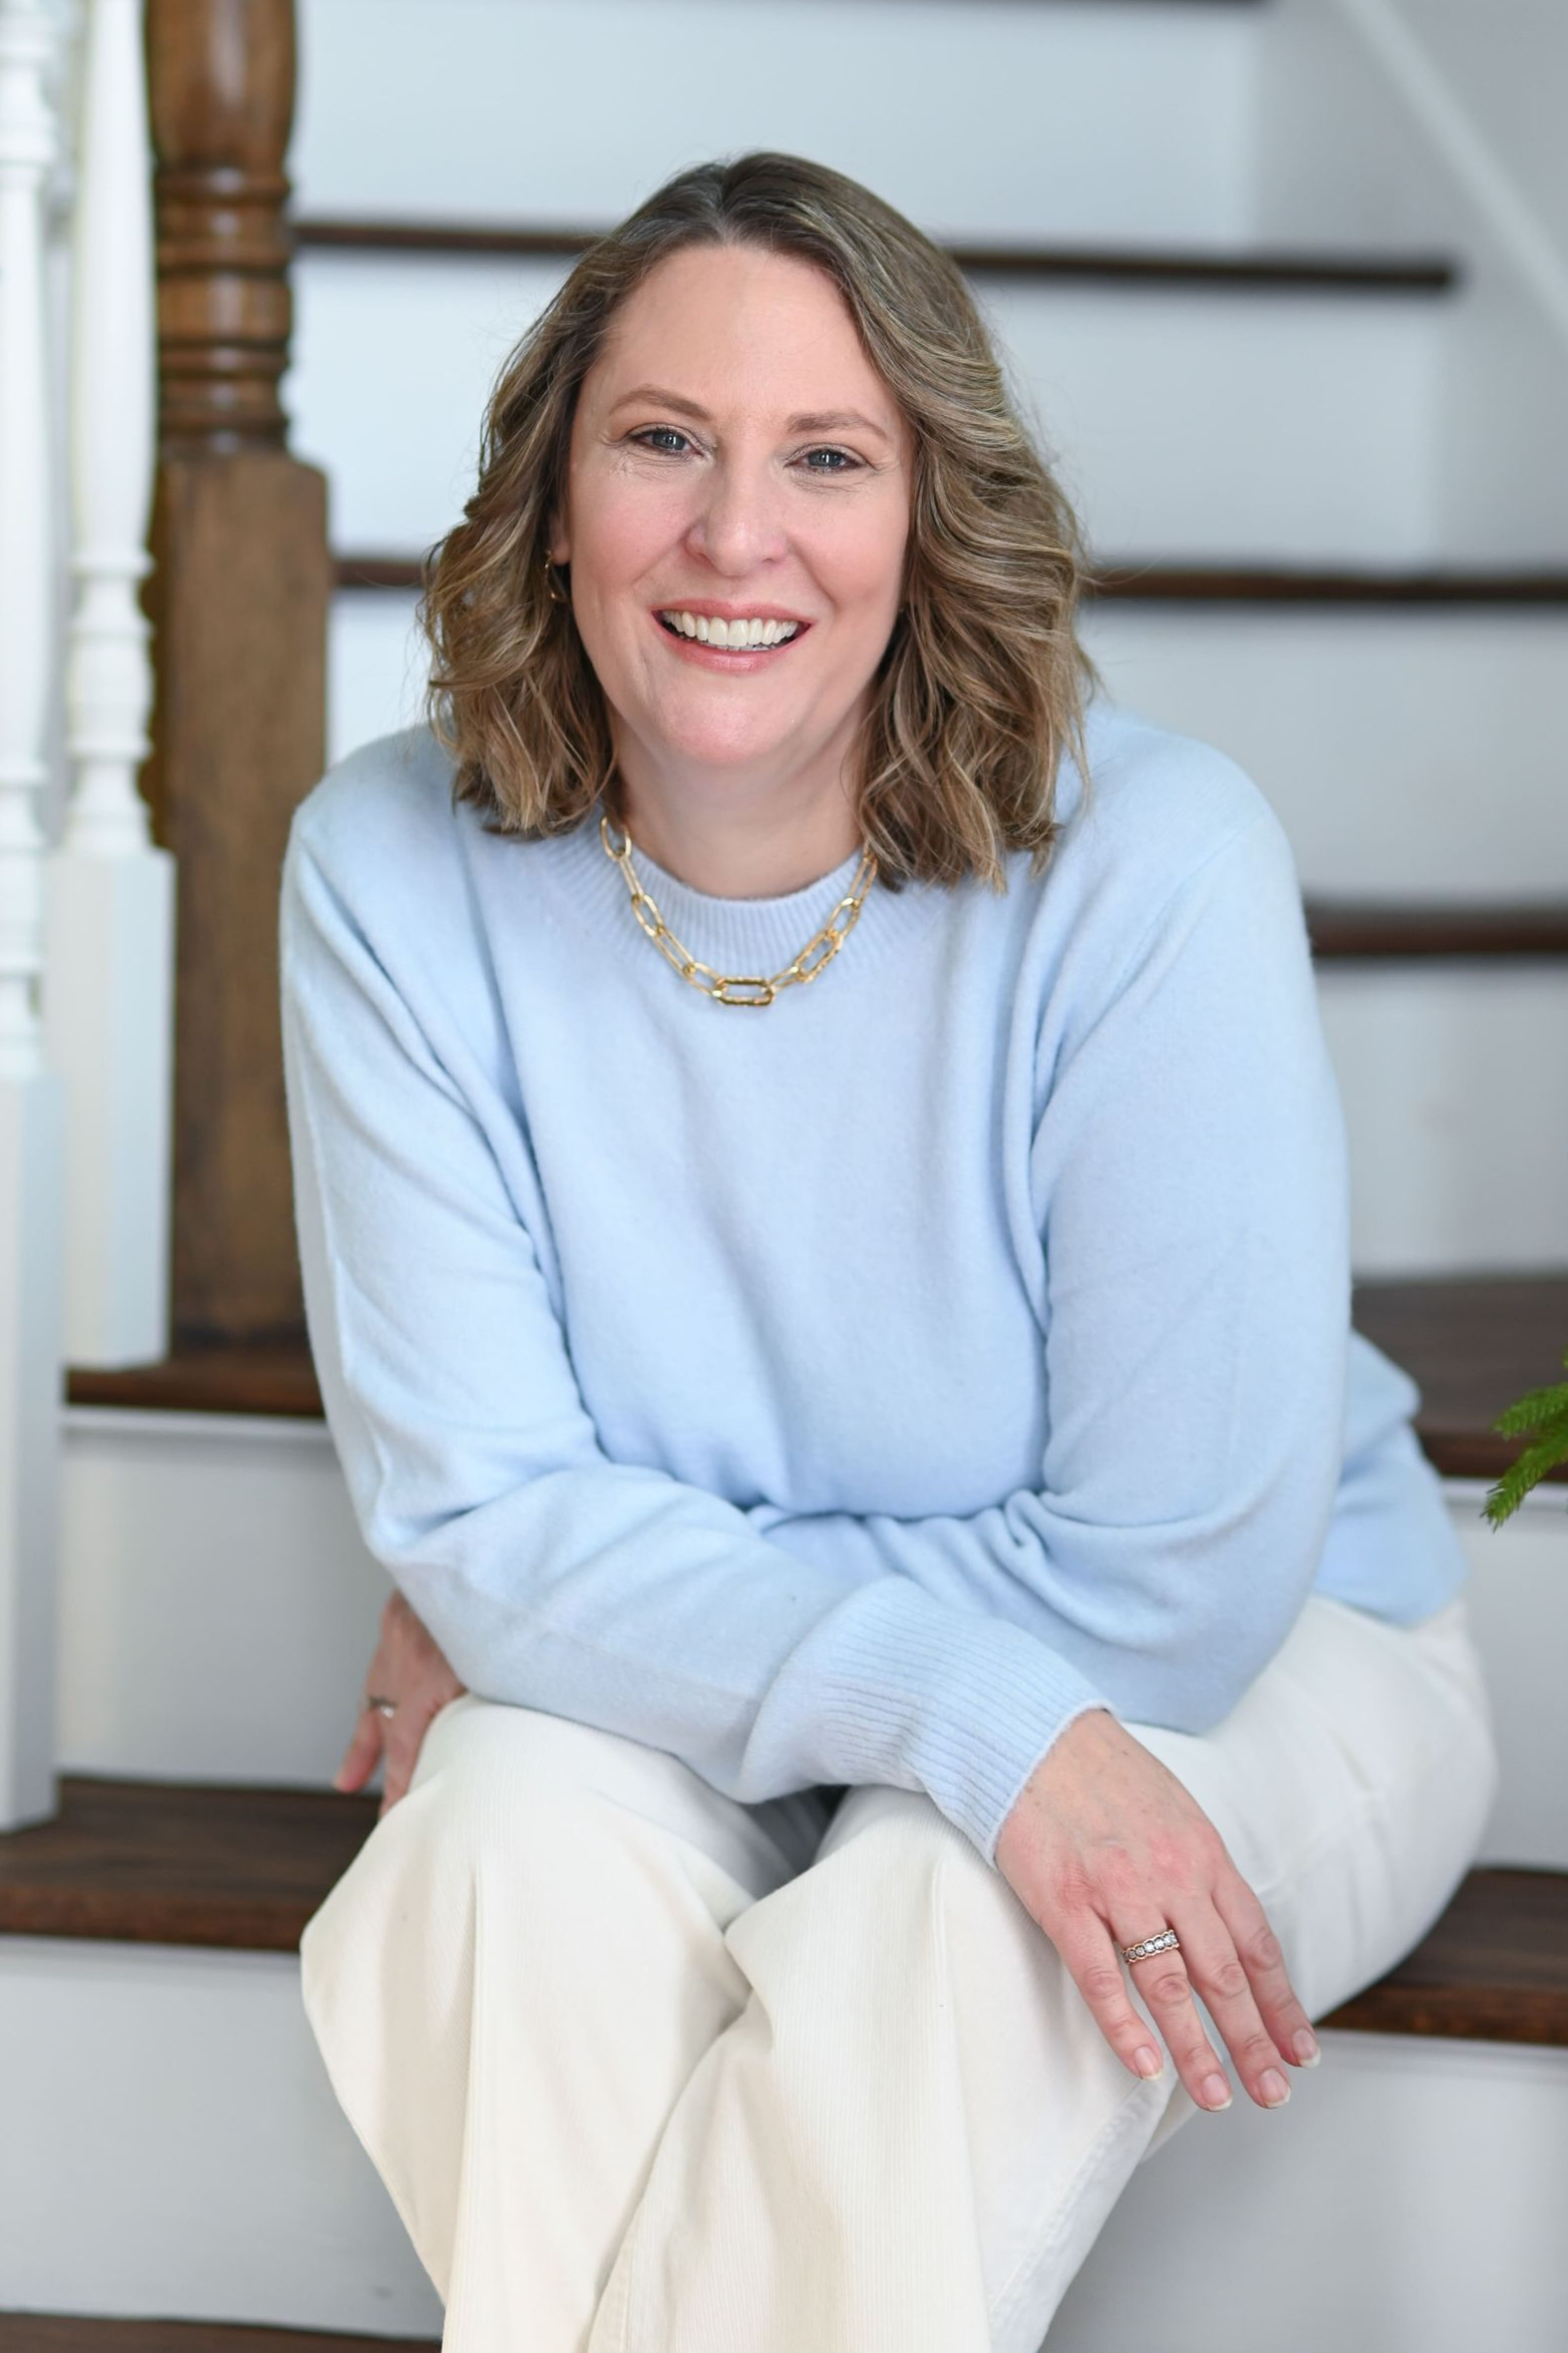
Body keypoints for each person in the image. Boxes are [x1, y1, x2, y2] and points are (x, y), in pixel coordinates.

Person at [280, 152, 1500, 2352]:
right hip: (814, 1657)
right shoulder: (386, 865)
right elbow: (483, 1515)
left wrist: (585, 1580)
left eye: (826, 458)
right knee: (488, 1864)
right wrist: (533, 1567)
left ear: (926, 518)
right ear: (552, 498)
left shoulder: (1154, 861)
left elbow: (1168, 1579)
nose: (735, 535)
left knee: (932, 1923)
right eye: (664, 439)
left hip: (1261, 1657)